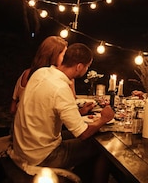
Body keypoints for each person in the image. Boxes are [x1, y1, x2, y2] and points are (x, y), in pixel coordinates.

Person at [11, 43, 115, 183]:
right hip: (42, 155)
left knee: (89, 136)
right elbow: (83, 133)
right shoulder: (60, 88)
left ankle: (82, 176)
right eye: (87, 66)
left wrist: (82, 113)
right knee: (102, 147)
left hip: (25, 146)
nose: (86, 69)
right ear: (79, 66)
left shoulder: (41, 72)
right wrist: (104, 118)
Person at [10, 36, 68, 115]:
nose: (65, 60)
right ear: (54, 55)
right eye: (63, 56)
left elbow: (13, 107)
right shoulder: (50, 79)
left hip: (19, 122)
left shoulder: (26, 73)